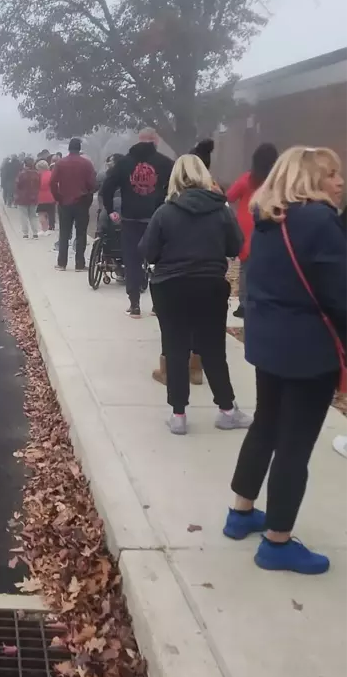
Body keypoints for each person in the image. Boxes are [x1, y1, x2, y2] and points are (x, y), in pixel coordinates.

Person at [224, 146, 347, 575]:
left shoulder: (268, 219)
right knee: (295, 444)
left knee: (266, 426)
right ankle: (277, 542)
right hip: (308, 351)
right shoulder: (320, 222)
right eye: (332, 174)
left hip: (269, 344)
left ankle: (241, 513)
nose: (340, 182)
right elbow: (339, 295)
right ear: (309, 179)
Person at [140, 154, 249, 435]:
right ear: (204, 176)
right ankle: (227, 410)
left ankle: (178, 416)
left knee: (175, 348)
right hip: (209, 285)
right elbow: (235, 246)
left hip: (169, 287)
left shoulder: (165, 211)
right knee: (213, 349)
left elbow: (148, 250)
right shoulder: (221, 210)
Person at [101, 129, 173, 317]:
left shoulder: (124, 163)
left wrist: (110, 210)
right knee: (159, 261)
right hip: (157, 218)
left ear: (138, 140)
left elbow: (107, 187)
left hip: (130, 219)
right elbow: (176, 185)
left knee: (132, 260)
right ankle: (158, 305)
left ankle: (134, 305)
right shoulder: (165, 163)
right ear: (155, 141)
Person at [226, 143, 279, 318]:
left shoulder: (247, 179)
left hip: (246, 224)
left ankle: (244, 304)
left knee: (245, 268)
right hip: (270, 221)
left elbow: (230, 196)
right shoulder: (277, 182)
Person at [50, 138, 96, 271]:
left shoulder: (60, 163)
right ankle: (79, 264)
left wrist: (57, 197)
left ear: (69, 148)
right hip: (81, 202)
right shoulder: (86, 164)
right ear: (79, 148)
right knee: (81, 233)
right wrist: (88, 194)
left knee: (64, 233)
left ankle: (62, 263)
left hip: (64, 201)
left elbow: (52, 182)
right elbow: (92, 183)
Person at [14, 157, 40, 238]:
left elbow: (18, 185)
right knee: (33, 215)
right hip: (34, 197)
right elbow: (39, 185)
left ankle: (25, 233)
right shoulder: (37, 174)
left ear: (24, 164)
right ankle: (35, 233)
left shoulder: (21, 174)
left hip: (22, 198)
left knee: (23, 215)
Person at [35, 160, 56, 234]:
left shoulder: (39, 176)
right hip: (52, 196)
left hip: (41, 197)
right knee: (51, 213)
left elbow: (39, 186)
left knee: (41, 214)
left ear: (40, 168)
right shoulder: (51, 174)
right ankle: (51, 227)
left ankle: (44, 229)